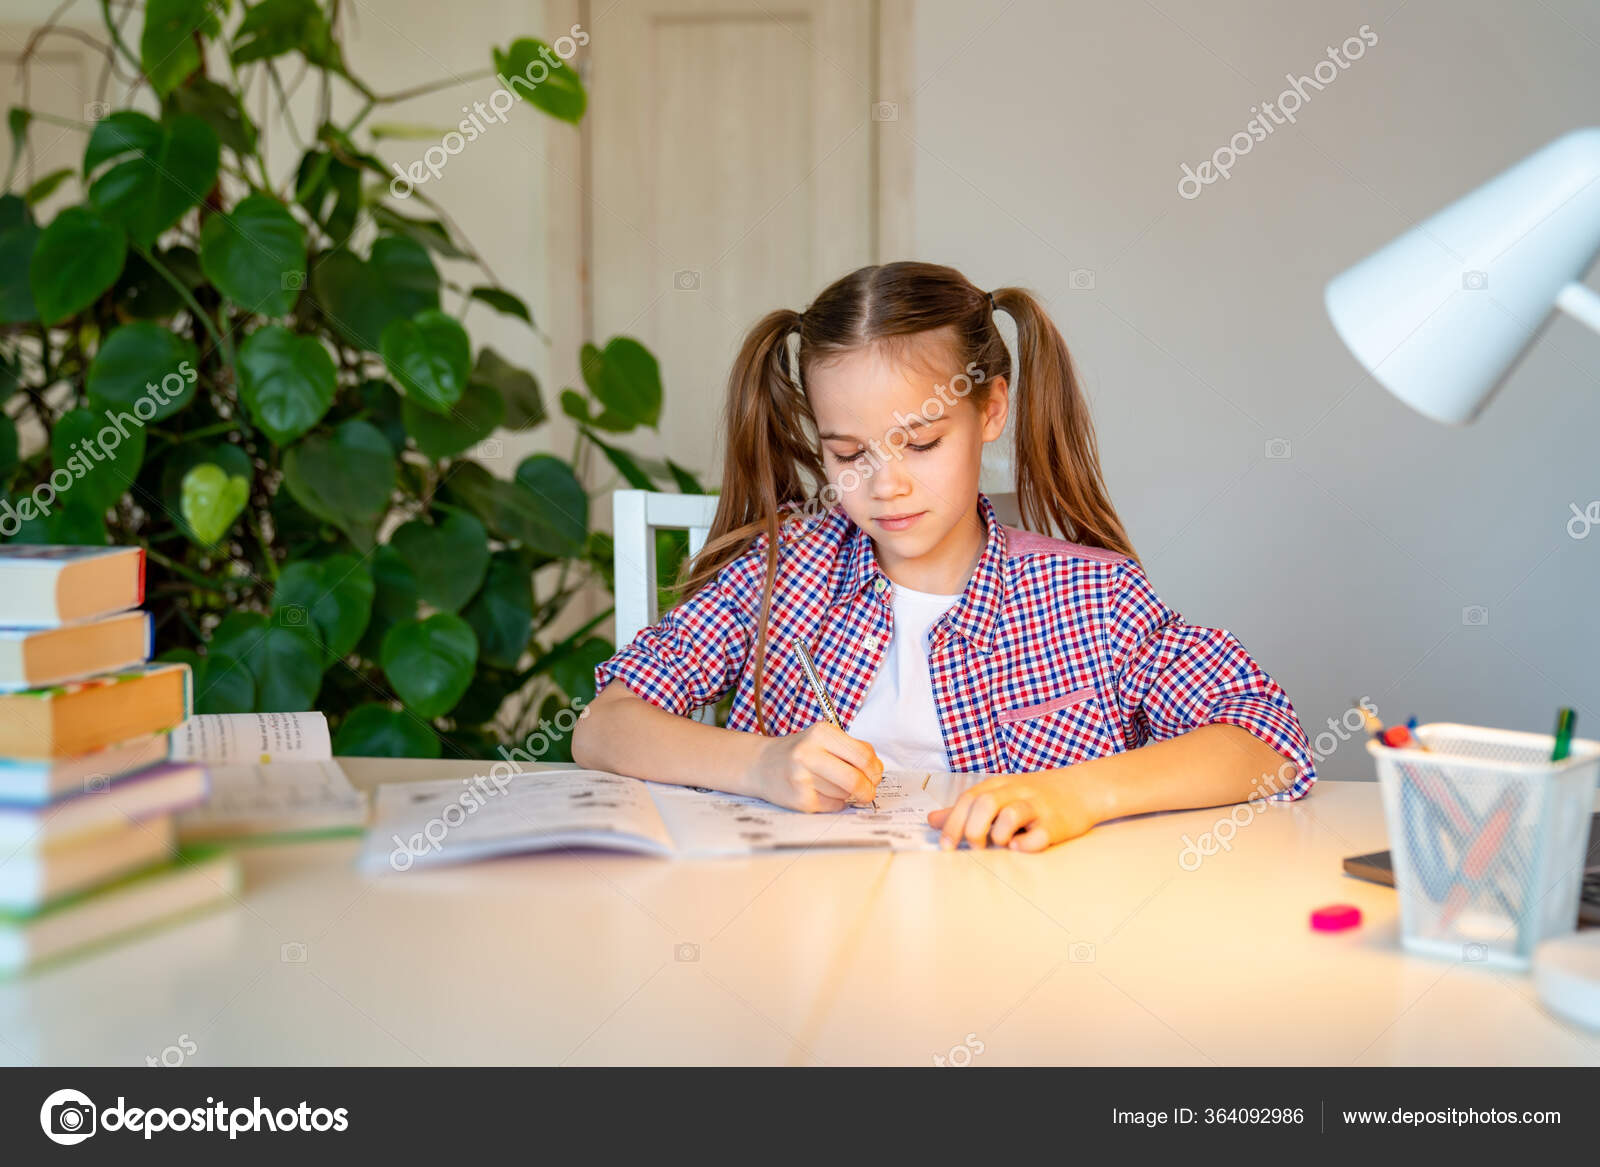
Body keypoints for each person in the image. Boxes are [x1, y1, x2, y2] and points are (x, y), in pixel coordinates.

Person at [573, 261, 1314, 850]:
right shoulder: (783, 573)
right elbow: (602, 725)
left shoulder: (1092, 598)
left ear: (990, 409)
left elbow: (1267, 739)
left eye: (921, 444)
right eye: (848, 452)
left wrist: (1076, 794)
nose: (885, 484)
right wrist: (761, 764)